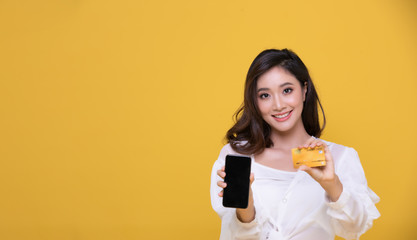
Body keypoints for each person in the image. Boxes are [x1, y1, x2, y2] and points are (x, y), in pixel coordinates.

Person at [210, 49, 380, 240]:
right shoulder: (236, 155)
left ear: (304, 89)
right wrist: (246, 208)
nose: (278, 105)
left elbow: (355, 228)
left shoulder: (339, 157)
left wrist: (331, 184)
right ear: (255, 101)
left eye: (287, 90)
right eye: (265, 95)